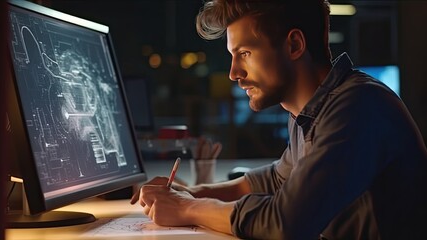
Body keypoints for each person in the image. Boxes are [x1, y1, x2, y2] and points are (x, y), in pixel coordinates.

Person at [131, 0, 427, 239]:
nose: (234, 73)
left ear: (295, 45)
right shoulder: (310, 112)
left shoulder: (357, 107)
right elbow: (276, 179)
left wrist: (187, 207)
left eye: (244, 53)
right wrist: (192, 192)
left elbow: (286, 222)